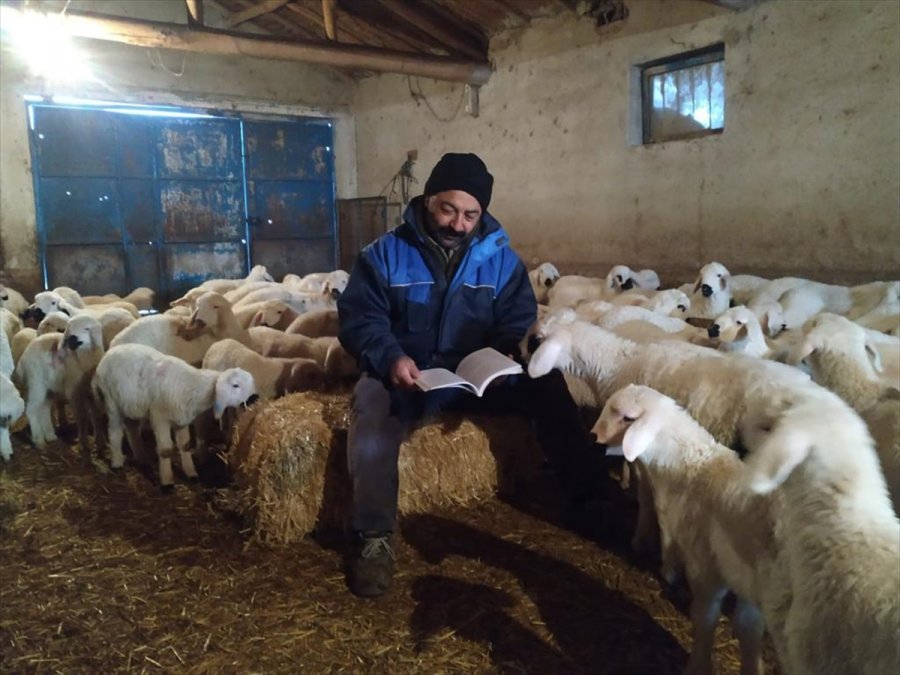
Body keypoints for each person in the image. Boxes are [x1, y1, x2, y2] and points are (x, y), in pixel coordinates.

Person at [337, 152, 607, 598]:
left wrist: (504, 356)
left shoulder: (500, 260)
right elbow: (361, 318)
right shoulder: (383, 255)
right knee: (369, 408)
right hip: (410, 375)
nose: (458, 224)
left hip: (476, 377)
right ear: (428, 200)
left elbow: (517, 320)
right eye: (448, 210)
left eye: (470, 215)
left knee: (546, 384)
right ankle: (373, 538)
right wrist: (390, 358)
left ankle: (590, 498)